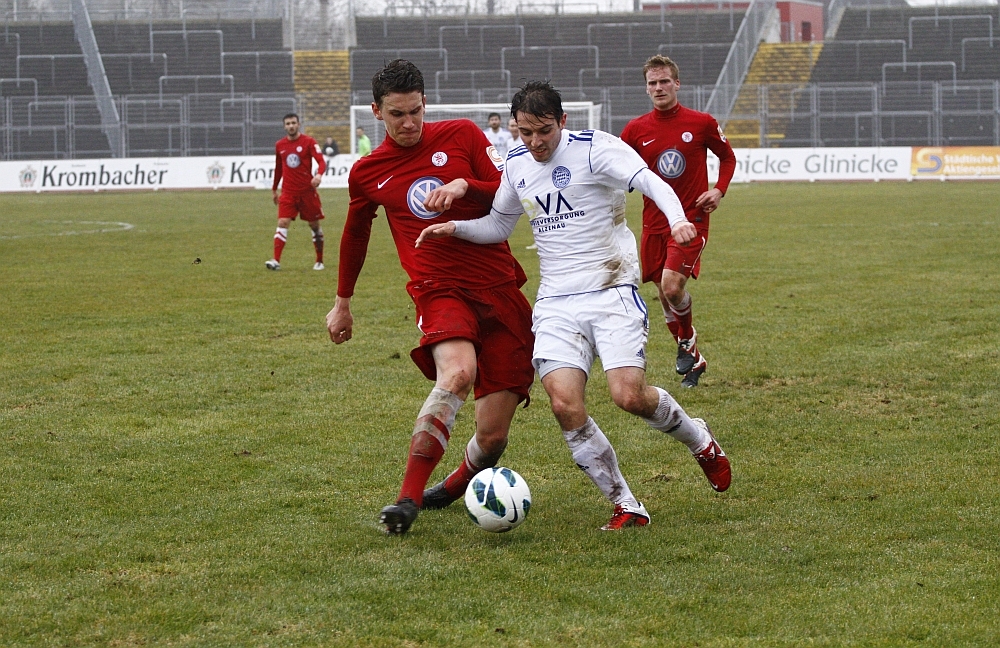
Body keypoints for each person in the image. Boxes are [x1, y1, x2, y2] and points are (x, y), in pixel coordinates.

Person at [416, 81, 731, 531]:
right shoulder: (517, 164)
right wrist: (456, 230)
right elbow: (499, 225)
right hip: (557, 303)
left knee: (628, 396)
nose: (535, 142)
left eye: (543, 131)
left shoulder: (596, 148)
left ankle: (698, 438)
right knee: (565, 405)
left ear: (562, 122)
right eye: (525, 132)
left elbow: (650, 182)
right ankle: (626, 504)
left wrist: (679, 220)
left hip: (612, 290)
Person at [326, 60, 535, 536]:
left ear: (425, 103)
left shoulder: (461, 135)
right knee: (458, 373)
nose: (409, 123)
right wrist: (343, 301)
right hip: (438, 288)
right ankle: (407, 497)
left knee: (493, 435)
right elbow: (354, 234)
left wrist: (464, 185)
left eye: (416, 111)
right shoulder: (368, 172)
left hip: (500, 287)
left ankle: (460, 481)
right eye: (397, 114)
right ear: (377, 112)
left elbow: (506, 196)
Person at [619, 55, 737, 388]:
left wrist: (719, 190)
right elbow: (615, 165)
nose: (658, 88)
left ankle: (686, 342)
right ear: (647, 88)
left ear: (677, 84)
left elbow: (727, 157)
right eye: (652, 83)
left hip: (692, 220)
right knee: (664, 293)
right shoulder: (635, 130)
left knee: (673, 287)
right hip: (653, 224)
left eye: (664, 81)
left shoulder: (701, 123)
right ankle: (693, 358)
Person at [268, 113, 327, 271]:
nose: (291, 126)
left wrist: (319, 175)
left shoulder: (309, 142)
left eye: (293, 123)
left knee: (314, 225)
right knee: (282, 222)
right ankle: (276, 260)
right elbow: (279, 169)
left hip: (307, 192)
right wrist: (274, 189)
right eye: (288, 124)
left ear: (298, 124)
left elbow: (321, 161)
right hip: (288, 193)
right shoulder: (280, 145)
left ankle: (319, 260)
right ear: (284, 126)